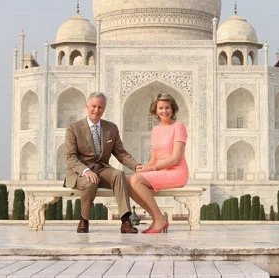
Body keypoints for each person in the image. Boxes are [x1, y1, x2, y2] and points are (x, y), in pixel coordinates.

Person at [65, 92, 140, 234]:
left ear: (104, 109)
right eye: (93, 106)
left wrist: (136, 165)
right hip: (80, 171)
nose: (96, 110)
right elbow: (70, 157)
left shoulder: (110, 128)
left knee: (118, 174)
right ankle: (84, 219)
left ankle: (125, 221)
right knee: (90, 183)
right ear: (87, 107)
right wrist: (86, 171)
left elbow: (120, 153)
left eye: (100, 107)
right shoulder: (74, 128)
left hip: (102, 169)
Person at [128, 93, 189, 234]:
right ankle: (158, 218)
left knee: (136, 180)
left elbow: (175, 158)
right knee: (128, 180)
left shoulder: (178, 127)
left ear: (172, 109)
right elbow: (155, 157)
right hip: (161, 171)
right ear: (155, 110)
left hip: (177, 172)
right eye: (161, 108)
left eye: (167, 107)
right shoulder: (155, 130)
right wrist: (145, 169)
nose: (164, 111)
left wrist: (151, 168)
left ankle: (159, 219)